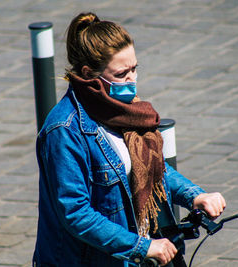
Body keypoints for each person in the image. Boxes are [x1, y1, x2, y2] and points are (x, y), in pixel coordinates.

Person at [32, 12, 226, 267]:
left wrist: (194, 196)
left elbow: (149, 168)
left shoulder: (124, 110)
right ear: (90, 73)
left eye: (135, 68)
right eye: (122, 73)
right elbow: (76, 213)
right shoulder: (64, 130)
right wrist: (143, 246)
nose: (132, 80)